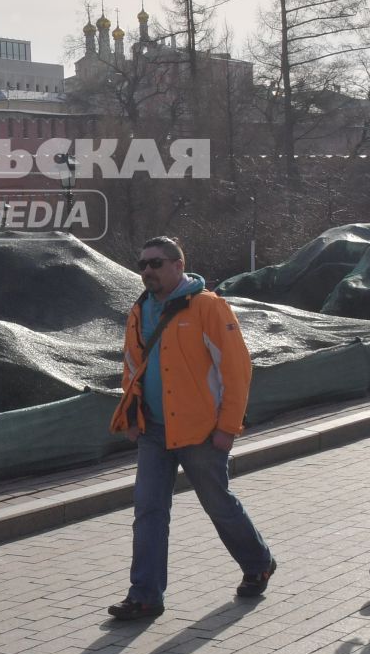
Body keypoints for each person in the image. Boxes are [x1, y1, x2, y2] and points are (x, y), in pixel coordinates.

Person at [106, 235, 276, 621]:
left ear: (178, 266)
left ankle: (258, 562)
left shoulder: (208, 307)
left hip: (201, 431)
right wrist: (131, 416)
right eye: (142, 264)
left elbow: (236, 370)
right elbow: (132, 367)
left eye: (156, 263)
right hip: (153, 430)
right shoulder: (139, 309)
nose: (147, 270)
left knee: (218, 505)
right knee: (149, 510)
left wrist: (228, 426)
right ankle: (145, 595)